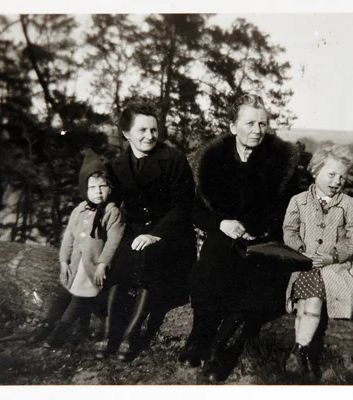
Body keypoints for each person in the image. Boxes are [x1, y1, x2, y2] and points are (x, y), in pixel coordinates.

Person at [179, 93, 301, 382]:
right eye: (249, 123)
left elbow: (290, 210)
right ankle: (199, 336)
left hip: (264, 243)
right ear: (233, 126)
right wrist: (221, 223)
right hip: (224, 238)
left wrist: (261, 228)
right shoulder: (210, 162)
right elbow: (196, 211)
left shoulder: (281, 163)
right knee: (209, 268)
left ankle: (220, 351)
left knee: (255, 285)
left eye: (263, 123)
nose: (257, 130)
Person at [94, 101, 197, 361]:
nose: (149, 136)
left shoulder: (173, 159)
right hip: (136, 231)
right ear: (126, 133)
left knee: (147, 256)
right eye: (142, 130)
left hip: (172, 235)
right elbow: (110, 202)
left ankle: (131, 334)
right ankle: (109, 334)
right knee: (119, 264)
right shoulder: (117, 166)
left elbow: (184, 205)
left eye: (153, 130)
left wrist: (156, 234)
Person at [281, 144, 353, 381]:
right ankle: (302, 355)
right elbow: (289, 231)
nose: (337, 181)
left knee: (311, 301)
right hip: (303, 263)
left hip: (334, 266)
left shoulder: (349, 204)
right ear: (315, 171)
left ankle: (299, 350)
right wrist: (301, 251)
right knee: (303, 305)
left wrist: (333, 255)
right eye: (331, 174)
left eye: (342, 176)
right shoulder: (299, 201)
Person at [44, 149, 125, 348]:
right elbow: (69, 237)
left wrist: (102, 265)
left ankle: (60, 334)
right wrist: (63, 261)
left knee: (80, 298)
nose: (98, 191)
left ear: (110, 188)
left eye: (102, 186)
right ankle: (47, 327)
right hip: (77, 264)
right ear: (84, 190)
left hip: (95, 267)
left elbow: (114, 241)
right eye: (92, 187)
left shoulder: (112, 212)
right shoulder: (79, 210)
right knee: (65, 294)